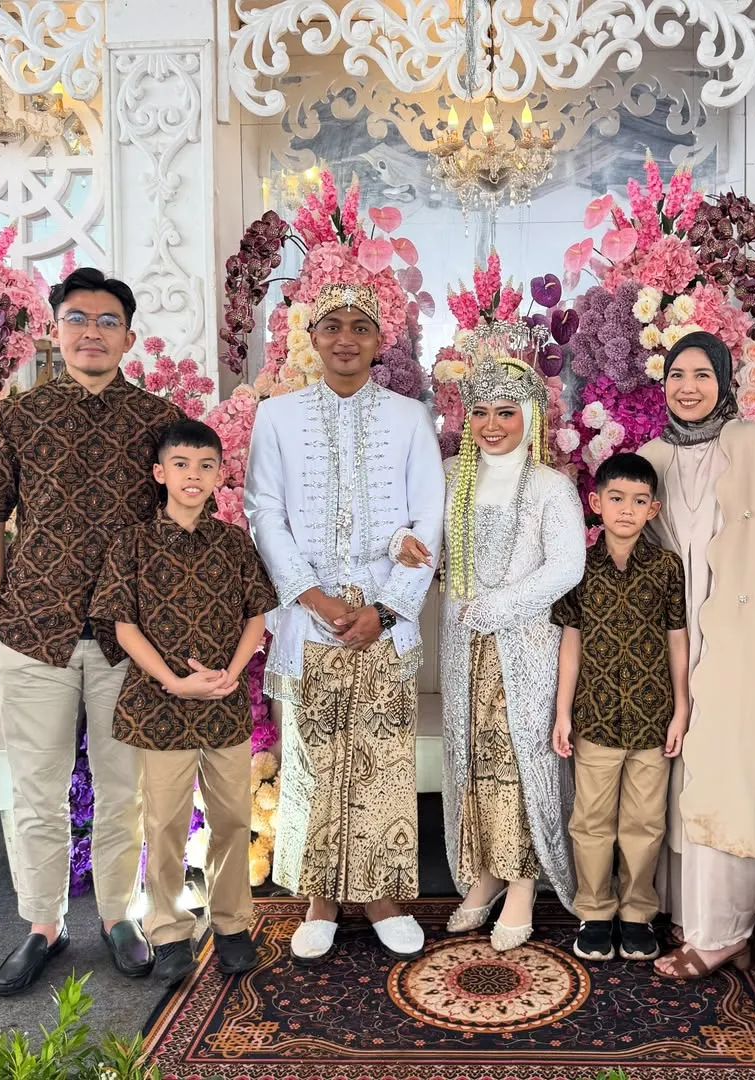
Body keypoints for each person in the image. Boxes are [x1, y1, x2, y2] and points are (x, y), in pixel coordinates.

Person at [0, 268, 182, 996]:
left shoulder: (158, 420)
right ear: (55, 331)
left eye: (108, 320)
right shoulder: (17, 416)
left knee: (123, 790)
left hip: (128, 640)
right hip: (34, 633)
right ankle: (42, 925)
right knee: (37, 790)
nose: (93, 331)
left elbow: (178, 525)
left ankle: (120, 917)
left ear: (129, 335)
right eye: (78, 318)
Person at [243, 282, 444, 964]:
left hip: (385, 617)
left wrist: (384, 610)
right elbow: (264, 511)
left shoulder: (410, 418)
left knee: (384, 759)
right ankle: (321, 900)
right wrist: (314, 598)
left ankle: (383, 897)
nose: (346, 338)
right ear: (313, 337)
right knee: (312, 757)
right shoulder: (277, 416)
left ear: (380, 340)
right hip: (310, 618)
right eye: (333, 324)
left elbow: (428, 518)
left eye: (361, 325)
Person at [396, 355, 586, 951]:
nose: (492, 425)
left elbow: (567, 566)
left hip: (524, 648)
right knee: (472, 759)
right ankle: (484, 874)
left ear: (530, 416)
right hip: (463, 646)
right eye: (479, 412)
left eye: (506, 412)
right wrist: (404, 544)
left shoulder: (552, 487)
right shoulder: (451, 475)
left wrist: (498, 607)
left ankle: (522, 881)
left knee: (518, 761)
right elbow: (423, 538)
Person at [89, 420, 278, 986]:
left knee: (232, 819)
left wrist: (231, 675)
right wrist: (173, 681)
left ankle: (231, 924)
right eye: (180, 464)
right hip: (160, 708)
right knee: (166, 823)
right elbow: (122, 626)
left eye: (204, 466)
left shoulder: (233, 543)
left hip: (223, 704)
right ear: (159, 472)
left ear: (219, 475)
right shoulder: (133, 543)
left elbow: (256, 616)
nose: (192, 476)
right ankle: (169, 930)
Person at [637, 330, 755, 979]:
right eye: (677, 374)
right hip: (674, 642)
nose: (689, 387)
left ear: (725, 381)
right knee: (681, 774)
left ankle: (726, 930)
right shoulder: (650, 458)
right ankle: (691, 913)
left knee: (736, 775)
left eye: (703, 374)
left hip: (746, 641)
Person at [551, 452, 689, 963]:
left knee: (645, 823)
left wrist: (681, 708)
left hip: (653, 719)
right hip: (596, 717)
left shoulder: (667, 568)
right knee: (591, 821)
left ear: (653, 509)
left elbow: (677, 639)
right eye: (616, 498)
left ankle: (636, 914)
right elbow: (571, 642)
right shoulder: (579, 568)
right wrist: (563, 713)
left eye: (638, 501)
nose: (626, 510)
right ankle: (594, 911)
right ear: (596, 503)